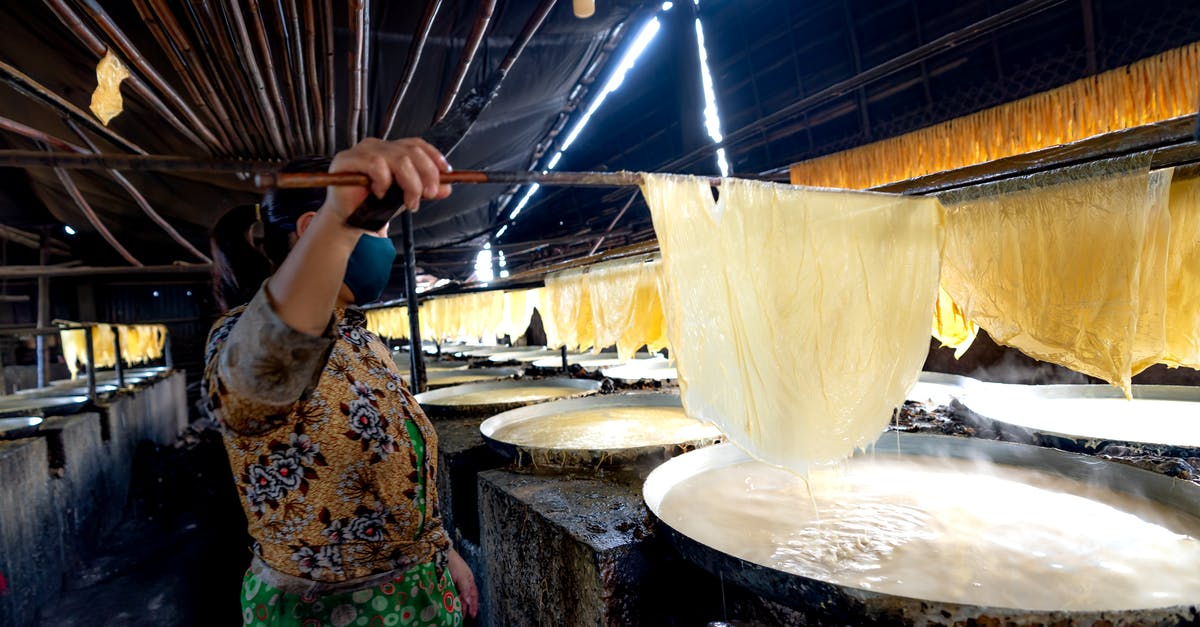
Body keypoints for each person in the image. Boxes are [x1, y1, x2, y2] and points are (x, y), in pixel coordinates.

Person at [202, 138, 477, 626]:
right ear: (310, 228)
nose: (386, 243)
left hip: (419, 592)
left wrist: (441, 550)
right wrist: (338, 220)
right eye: (378, 226)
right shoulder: (242, 335)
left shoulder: (361, 341)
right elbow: (249, 394)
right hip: (326, 611)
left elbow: (402, 470)